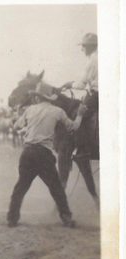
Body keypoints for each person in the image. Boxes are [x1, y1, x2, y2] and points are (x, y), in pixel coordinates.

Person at [7, 82, 87, 228]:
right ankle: (66, 218)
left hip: (27, 153)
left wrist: (20, 115)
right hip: (43, 154)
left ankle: (12, 218)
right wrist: (80, 114)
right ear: (50, 98)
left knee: (20, 188)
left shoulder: (30, 110)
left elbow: (16, 126)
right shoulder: (57, 111)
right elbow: (73, 127)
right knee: (56, 189)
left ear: (37, 98)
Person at [61, 32, 98, 159]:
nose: (82, 49)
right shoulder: (100, 57)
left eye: (84, 46)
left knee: (79, 113)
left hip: (97, 94)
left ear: (91, 47)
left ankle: (82, 148)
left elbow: (81, 85)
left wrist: (69, 84)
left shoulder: (93, 61)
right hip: (97, 92)